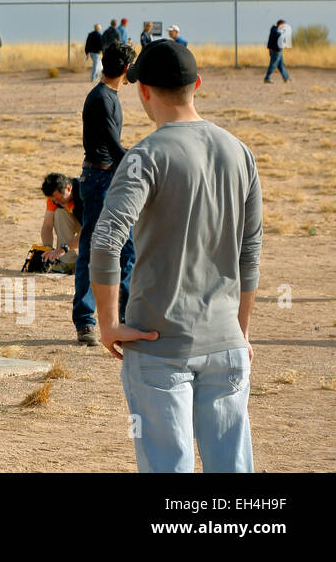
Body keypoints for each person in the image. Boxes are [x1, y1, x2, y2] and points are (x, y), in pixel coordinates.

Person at [91, 40, 261, 472]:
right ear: (197, 84)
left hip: (157, 344)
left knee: (167, 465)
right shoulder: (240, 152)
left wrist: (108, 323)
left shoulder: (145, 156)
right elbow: (250, 251)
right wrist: (239, 330)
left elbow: (107, 237)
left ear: (143, 91)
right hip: (226, 343)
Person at [74, 41, 138, 346]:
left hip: (104, 174)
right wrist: (141, 164)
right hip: (100, 177)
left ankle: (124, 317)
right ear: (126, 70)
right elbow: (113, 145)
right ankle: (87, 321)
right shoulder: (102, 98)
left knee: (126, 249)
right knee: (95, 249)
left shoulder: (106, 95)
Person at [38, 172, 82, 271]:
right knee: (59, 213)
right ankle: (69, 262)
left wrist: (63, 249)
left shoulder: (84, 192)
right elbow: (47, 226)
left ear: (68, 188)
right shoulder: (54, 198)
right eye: (53, 200)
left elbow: (90, 229)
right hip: (83, 223)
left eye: (59, 198)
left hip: (101, 228)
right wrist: (48, 248)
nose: (56, 202)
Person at [264, 19, 291, 84]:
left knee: (281, 65)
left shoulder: (274, 30)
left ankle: (286, 78)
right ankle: (267, 78)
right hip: (276, 51)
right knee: (273, 65)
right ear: (280, 24)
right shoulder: (277, 31)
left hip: (277, 51)